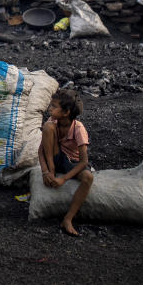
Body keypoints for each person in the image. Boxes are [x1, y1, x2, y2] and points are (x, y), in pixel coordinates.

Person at [37, 88, 94, 236]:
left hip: (73, 163)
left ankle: (68, 219)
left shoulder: (78, 128)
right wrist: (46, 172)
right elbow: (41, 151)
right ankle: (52, 169)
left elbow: (83, 161)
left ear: (66, 112)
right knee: (47, 127)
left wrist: (63, 179)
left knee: (88, 177)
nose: (50, 109)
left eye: (54, 107)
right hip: (57, 158)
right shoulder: (52, 122)